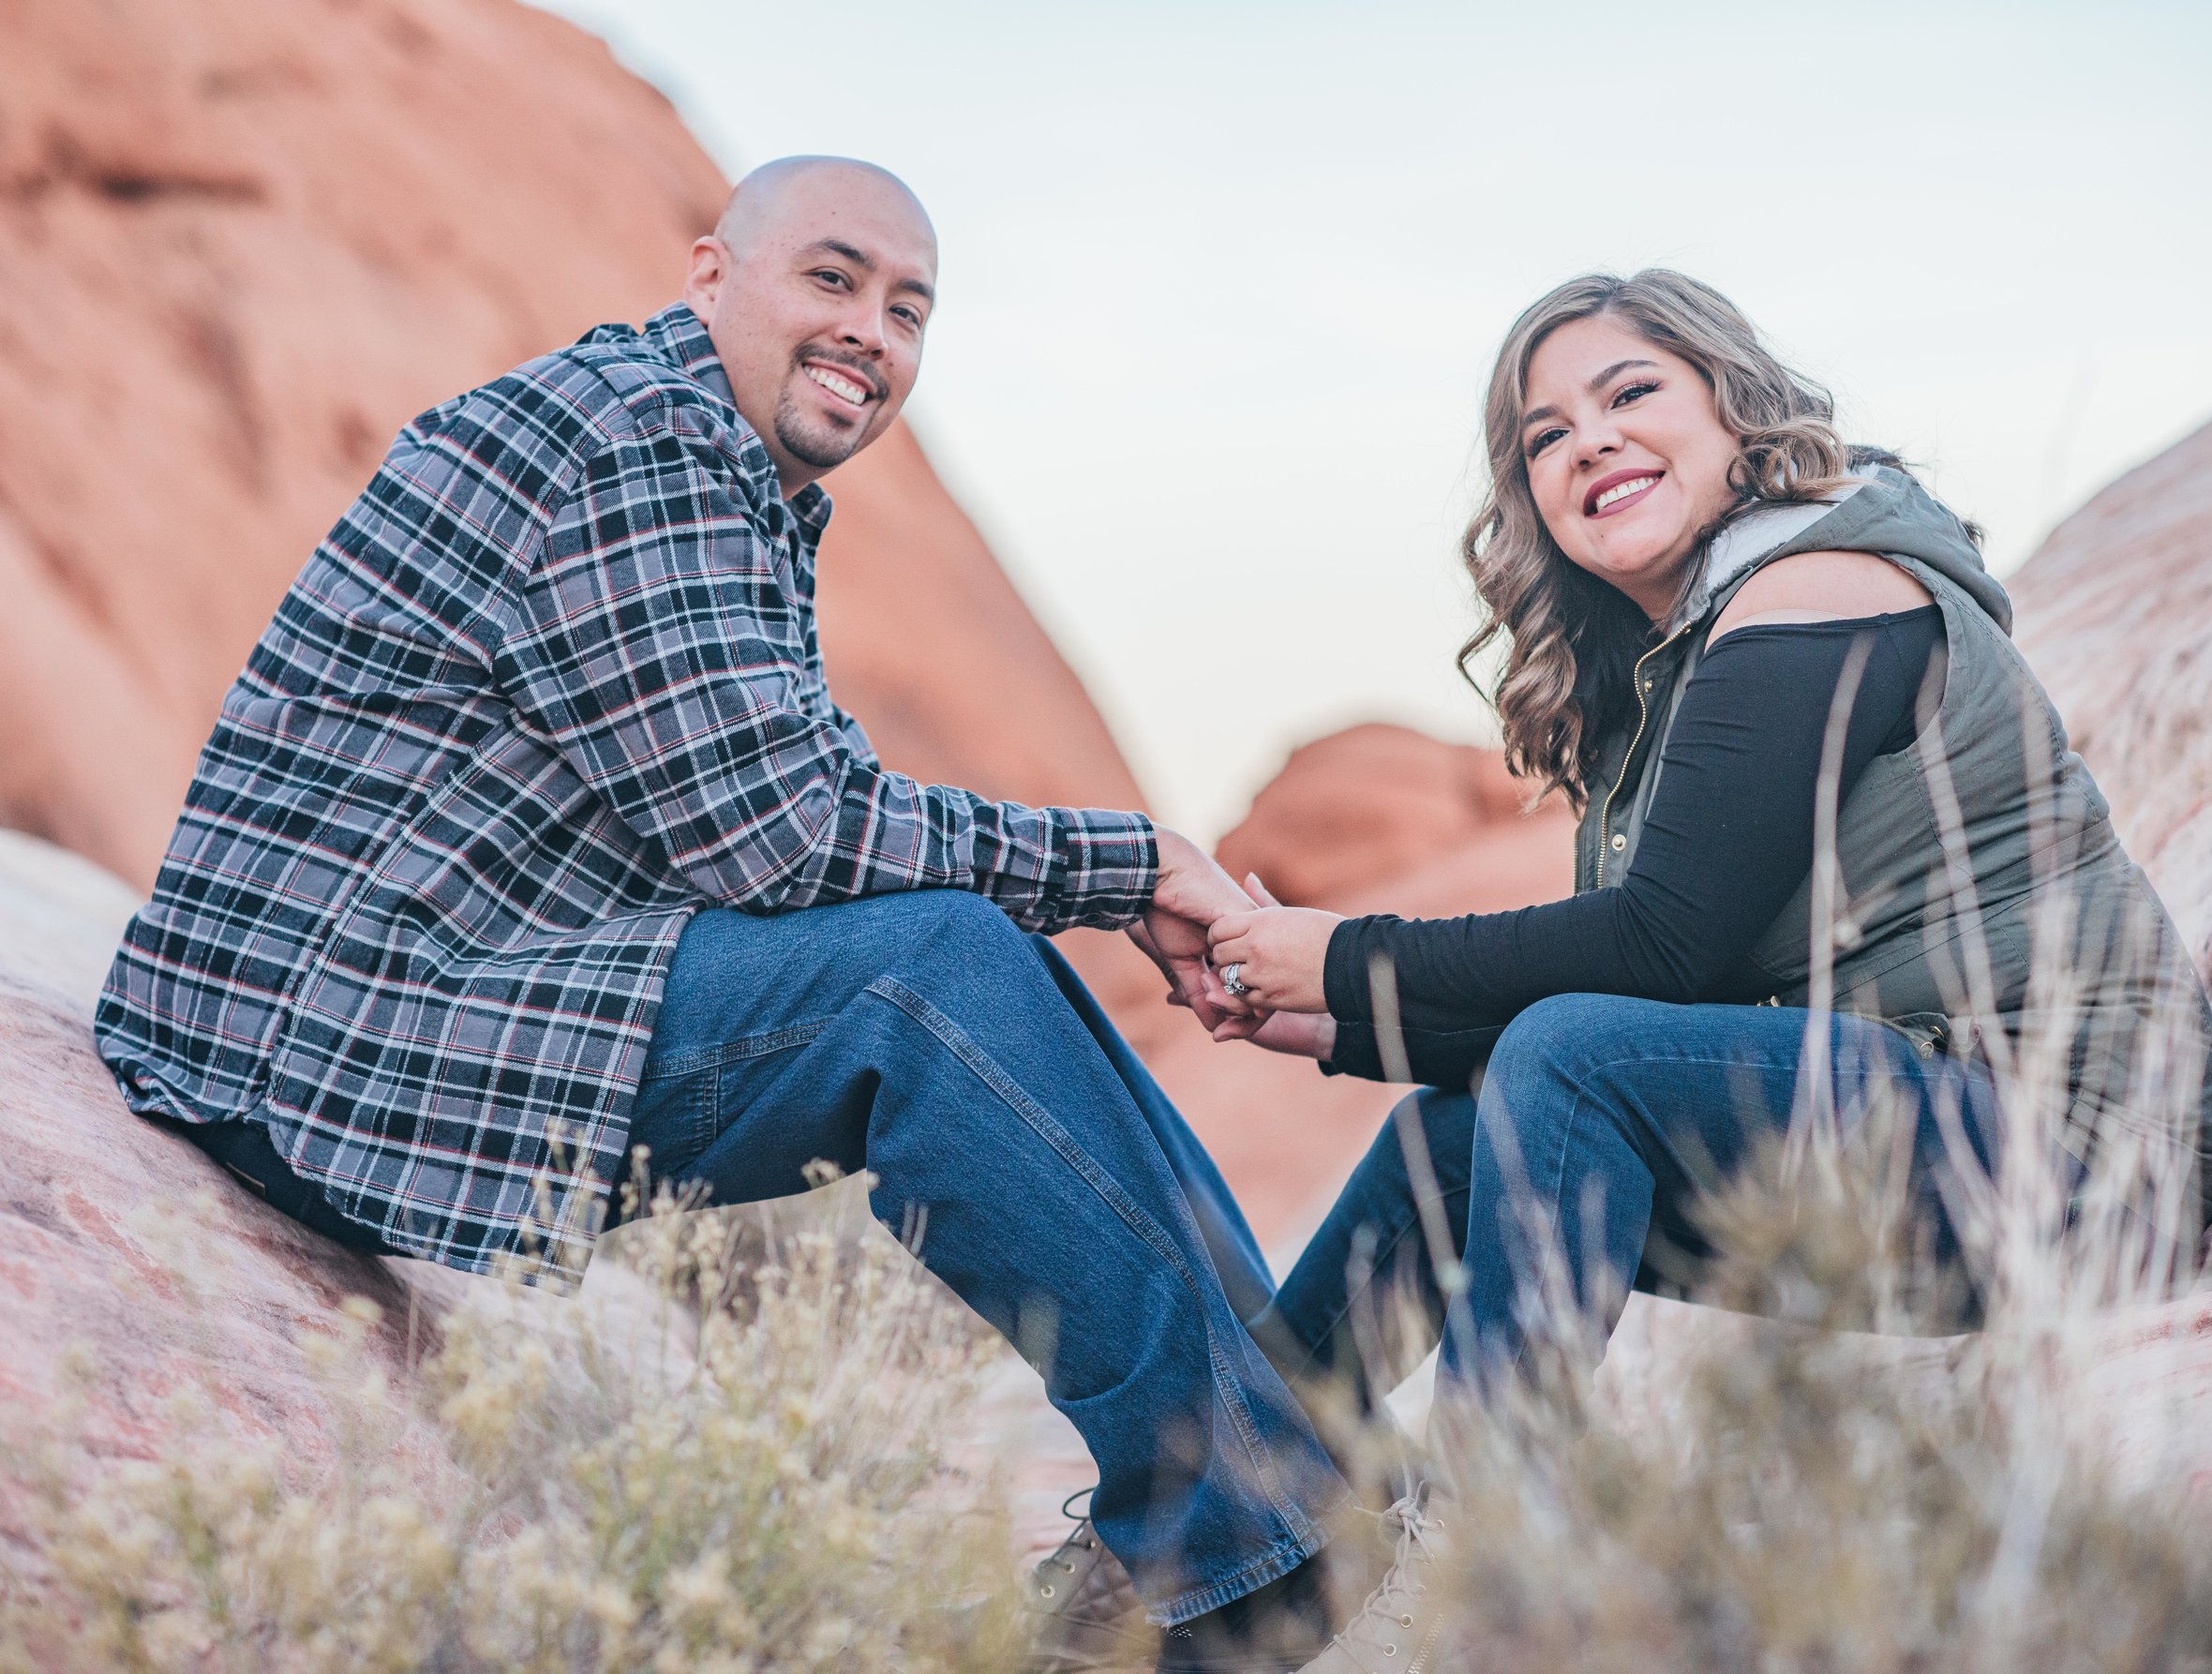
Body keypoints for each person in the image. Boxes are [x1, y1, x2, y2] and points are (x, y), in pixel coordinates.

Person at [94, 157, 1441, 1674]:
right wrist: (1130, 864)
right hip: (337, 1037)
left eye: (908, 307)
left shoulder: (721, 471)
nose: (873, 329)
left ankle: (1265, 1494)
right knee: (926, 979)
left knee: (956, 950)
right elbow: (784, 840)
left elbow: (792, 812)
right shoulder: (634, 440)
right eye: (833, 276)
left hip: (425, 992)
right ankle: (1248, 1529)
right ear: (707, 275)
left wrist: (1098, 874)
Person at [1205, 268, 2212, 1411]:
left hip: (2086, 1164)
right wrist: (1325, 1022)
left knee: (1569, 1054)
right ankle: (1209, 1539)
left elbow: (1660, 951)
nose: (1591, 442)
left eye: (1629, 392)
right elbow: (1655, 1028)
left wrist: (1344, 955)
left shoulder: (1821, 582)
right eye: (1547, 436)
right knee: (1448, 1139)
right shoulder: (1675, 672)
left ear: (1730, 402)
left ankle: (1485, 1530)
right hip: (1924, 1125)